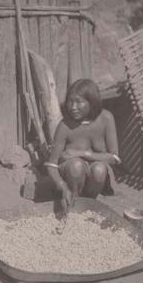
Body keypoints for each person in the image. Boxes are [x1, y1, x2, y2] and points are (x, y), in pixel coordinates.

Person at [45, 79, 121, 210]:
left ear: (91, 102)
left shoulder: (106, 119)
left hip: (95, 177)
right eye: (70, 101)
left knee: (99, 169)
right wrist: (63, 187)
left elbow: (114, 158)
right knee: (76, 166)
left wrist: (83, 153)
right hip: (71, 177)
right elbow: (51, 165)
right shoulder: (65, 126)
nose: (73, 107)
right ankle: (74, 201)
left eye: (79, 102)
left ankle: (89, 203)